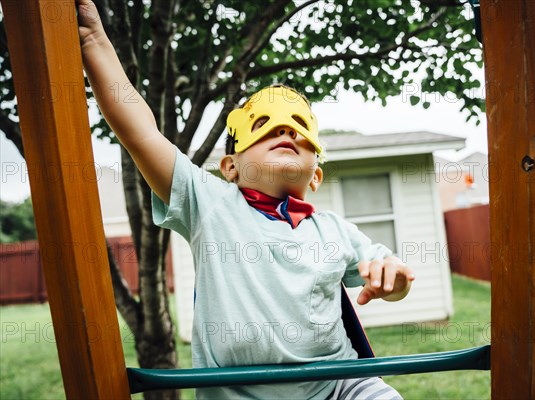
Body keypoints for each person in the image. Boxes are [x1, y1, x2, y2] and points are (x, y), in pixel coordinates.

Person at [77, 1, 414, 399]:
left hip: (340, 386)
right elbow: (141, 133)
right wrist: (93, 38)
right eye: (264, 129)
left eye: (300, 134)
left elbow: (391, 272)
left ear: (316, 177)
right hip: (241, 395)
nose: (286, 133)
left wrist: (393, 277)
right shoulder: (210, 204)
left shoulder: (333, 230)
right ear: (230, 168)